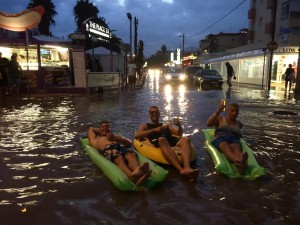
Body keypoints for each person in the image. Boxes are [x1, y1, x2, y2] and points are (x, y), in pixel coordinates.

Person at [135, 106, 199, 181]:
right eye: (152, 112)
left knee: (186, 139)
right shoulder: (145, 125)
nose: (154, 114)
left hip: (171, 141)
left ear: (159, 114)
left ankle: (187, 168)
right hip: (159, 142)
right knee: (162, 139)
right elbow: (137, 135)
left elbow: (179, 134)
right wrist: (155, 130)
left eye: (156, 112)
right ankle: (181, 170)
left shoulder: (166, 125)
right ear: (149, 114)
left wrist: (179, 125)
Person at [88, 121, 151, 186]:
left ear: (110, 129)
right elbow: (91, 128)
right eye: (103, 127)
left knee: (131, 154)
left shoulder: (116, 136)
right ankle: (132, 177)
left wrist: (115, 138)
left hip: (120, 146)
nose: (105, 128)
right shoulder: (95, 140)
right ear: (99, 129)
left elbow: (129, 144)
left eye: (107, 127)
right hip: (109, 148)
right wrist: (103, 131)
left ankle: (137, 171)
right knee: (118, 157)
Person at [207, 102, 248, 174]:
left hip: (234, 139)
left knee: (236, 147)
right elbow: (208, 124)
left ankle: (241, 162)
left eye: (236, 111)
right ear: (227, 110)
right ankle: (238, 161)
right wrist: (218, 111)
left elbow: (239, 135)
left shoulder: (239, 124)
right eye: (232, 110)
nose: (234, 113)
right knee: (225, 145)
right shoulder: (221, 119)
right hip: (220, 137)